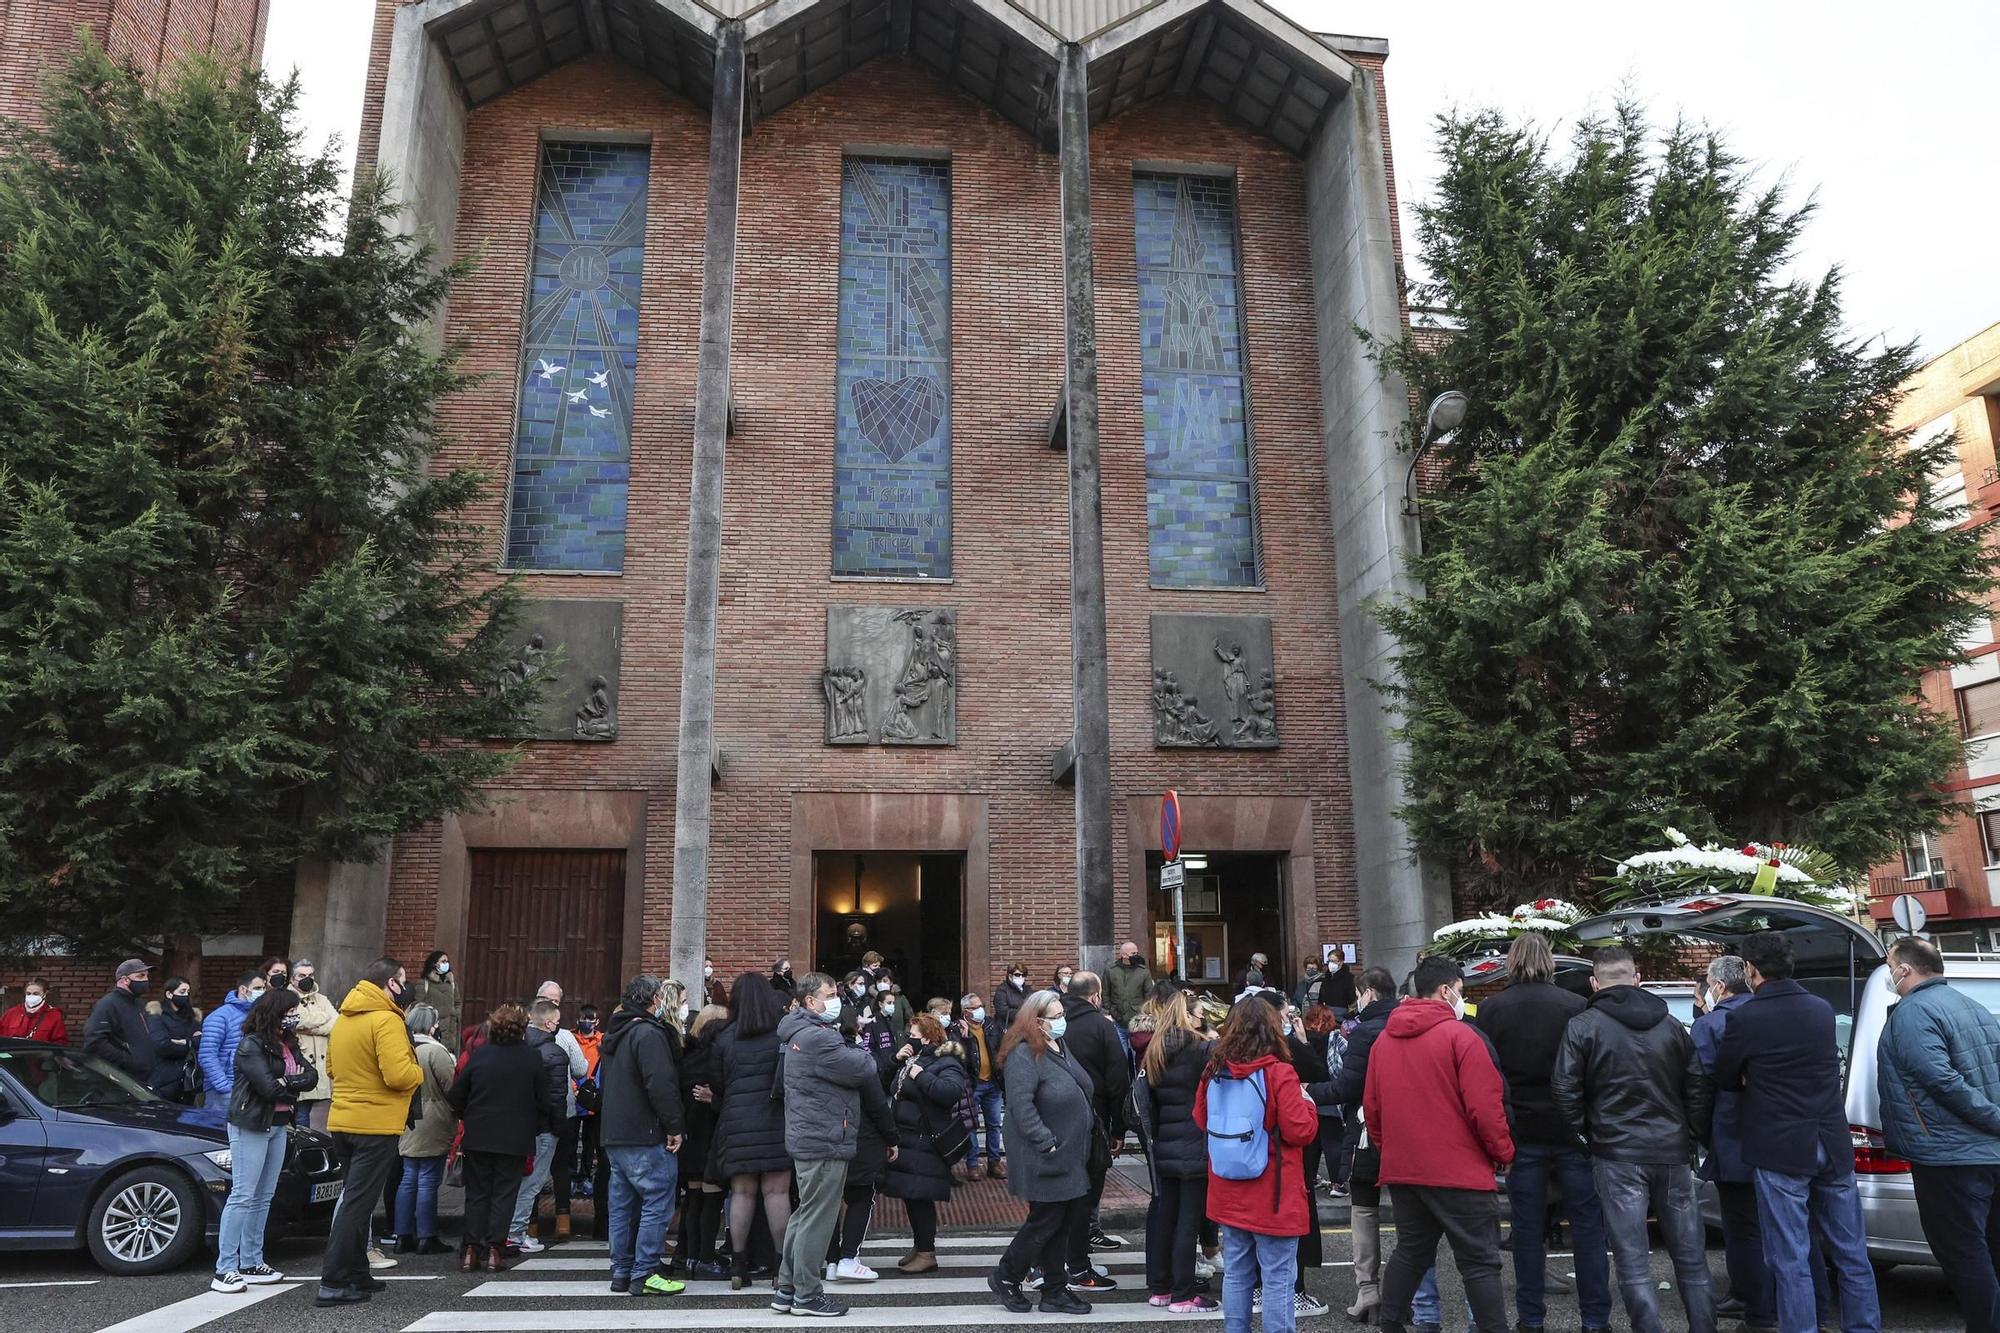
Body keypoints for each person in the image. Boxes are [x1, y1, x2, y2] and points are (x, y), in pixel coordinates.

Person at [1715, 931, 1880, 1333]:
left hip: (1780, 1146)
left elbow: (1724, 1075)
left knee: (1790, 1258)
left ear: (1750, 970)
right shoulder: (1821, 1009)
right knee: (1851, 1253)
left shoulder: (1745, 1017)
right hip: (1830, 1139)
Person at [1552, 946, 1715, 1333]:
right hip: (1672, 1149)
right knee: (1691, 1256)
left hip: (1615, 1151)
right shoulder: (1671, 1025)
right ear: (1637, 978)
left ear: (1595, 983)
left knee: (1632, 1259)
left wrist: (1585, 1133)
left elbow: (1563, 1088)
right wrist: (1693, 1133)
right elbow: (1697, 1086)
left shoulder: (1583, 1025)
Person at [1365, 956, 1513, 1333]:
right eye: (1461, 991)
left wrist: (1390, 1152)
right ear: (1446, 991)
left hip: (1405, 1169)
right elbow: (1485, 1108)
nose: (1462, 999)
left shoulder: (1384, 1040)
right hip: (1460, 1171)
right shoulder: (1463, 1037)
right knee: (1480, 1263)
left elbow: (1373, 1107)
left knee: (1411, 1253)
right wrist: (1502, 1153)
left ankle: (1392, 1324)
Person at [1475, 933, 1612, 1333]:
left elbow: (1488, 1077)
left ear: (1512, 962)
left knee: (1527, 1230)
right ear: (1550, 962)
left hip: (1522, 1131)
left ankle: (1531, 1318)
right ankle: (1595, 1319)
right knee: (1588, 1227)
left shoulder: (1491, 1009)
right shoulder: (1575, 1006)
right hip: (1572, 1130)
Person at [1878, 935, 2000, 1331]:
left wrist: (1993, 1118)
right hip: (1986, 1155)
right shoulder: (1972, 1006)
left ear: (1904, 969)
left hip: (1949, 1157)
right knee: (1989, 1252)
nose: (1887, 970)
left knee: (1963, 1255)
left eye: (1888, 962)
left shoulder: (1913, 1013)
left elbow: (1941, 1080)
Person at [1197, 997, 1320, 1333]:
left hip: (1228, 1187)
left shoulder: (1214, 1071)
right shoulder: (1279, 1073)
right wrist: (1308, 1105)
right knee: (1278, 1276)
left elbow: (1201, 1118)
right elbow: (1300, 1130)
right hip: (1273, 1189)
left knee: (1237, 1271)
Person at [317, 958, 423, 1308]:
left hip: (343, 1121)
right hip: (375, 1124)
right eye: (402, 981)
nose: (405, 987)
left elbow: (330, 1068)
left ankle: (357, 1272)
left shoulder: (345, 1019)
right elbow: (398, 1075)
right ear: (390, 983)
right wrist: (418, 1072)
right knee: (356, 1205)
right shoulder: (387, 1020)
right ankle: (333, 1280)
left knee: (355, 1200)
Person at [773, 972, 876, 1318]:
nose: (837, 1000)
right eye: (830, 994)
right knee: (818, 1217)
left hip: (811, 1134)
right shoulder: (819, 1039)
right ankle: (806, 1293)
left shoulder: (802, 1034)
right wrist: (860, 1046)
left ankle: (787, 1288)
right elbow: (863, 1067)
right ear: (809, 1002)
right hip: (824, 1137)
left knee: (805, 1213)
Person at [990, 988, 1095, 1317]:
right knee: (1045, 1221)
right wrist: (1045, 1140)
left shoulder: (1057, 1045)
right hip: (1045, 1154)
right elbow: (1020, 1107)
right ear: (1035, 1021)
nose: (1062, 1020)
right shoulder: (1025, 1054)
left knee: (1060, 1223)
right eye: (1056, 1016)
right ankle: (1006, 1275)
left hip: (1070, 1154)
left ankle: (1054, 1290)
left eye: (1062, 1014)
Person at [211, 985, 318, 1293]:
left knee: (263, 1196)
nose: (294, 1017)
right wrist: (288, 1081)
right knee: (243, 1195)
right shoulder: (251, 1045)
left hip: (280, 1123)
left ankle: (252, 1261)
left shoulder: (288, 1043)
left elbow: (312, 1077)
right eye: (289, 1012)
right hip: (252, 1123)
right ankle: (225, 1267)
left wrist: (287, 1081)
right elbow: (268, 1088)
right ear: (275, 1013)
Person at [1691, 953, 1775, 1332]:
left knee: (1741, 1228)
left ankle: (1750, 1299)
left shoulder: (1710, 1026)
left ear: (1719, 986)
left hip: (1731, 1137)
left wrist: (1701, 1136)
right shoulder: (1768, 1014)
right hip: (1779, 1138)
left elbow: (1701, 1086)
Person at [598, 974, 689, 1297]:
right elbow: (660, 1085)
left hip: (615, 1133)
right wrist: (675, 1126)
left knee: (622, 1206)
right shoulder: (648, 1034)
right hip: (646, 1132)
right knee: (656, 1203)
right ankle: (645, 1270)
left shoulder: (615, 1032)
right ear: (654, 1001)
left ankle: (621, 1270)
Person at [1313, 964, 1395, 1319]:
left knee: (1364, 1209)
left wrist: (1308, 1091)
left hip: (1366, 1132)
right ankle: (1408, 1294)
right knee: (1410, 1215)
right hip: (1405, 1131)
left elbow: (1349, 1087)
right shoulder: (1406, 1024)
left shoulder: (1364, 1033)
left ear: (1370, 993)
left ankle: (1368, 1291)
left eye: (1359, 993)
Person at [449, 1003, 556, 1274]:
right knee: (504, 1194)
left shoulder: (481, 1055)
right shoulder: (531, 1058)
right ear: (522, 1029)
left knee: (477, 1193)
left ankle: (471, 1249)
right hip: (515, 1136)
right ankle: (495, 1250)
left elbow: (456, 1094)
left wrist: (469, 1115)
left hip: (479, 1133)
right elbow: (544, 1100)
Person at [1136, 987, 1215, 1311]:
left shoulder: (1154, 1049)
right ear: (1189, 1016)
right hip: (1194, 1139)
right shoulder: (1200, 1048)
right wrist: (1210, 1035)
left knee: (1166, 1217)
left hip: (1163, 1143)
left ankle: (1161, 1288)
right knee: (1188, 1219)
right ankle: (1183, 1293)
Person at [713, 971, 792, 1288]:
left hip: (736, 1122)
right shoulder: (781, 1037)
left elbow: (718, 1084)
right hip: (775, 1121)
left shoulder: (725, 1037)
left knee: (742, 1193)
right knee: (777, 1193)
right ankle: (781, 1266)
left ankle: (738, 1265)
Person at [883, 1009, 969, 1274]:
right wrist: (894, 1060)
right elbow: (887, 1084)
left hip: (925, 1140)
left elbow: (950, 1093)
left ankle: (927, 1252)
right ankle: (920, 1245)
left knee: (920, 1196)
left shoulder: (946, 1062)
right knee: (911, 1195)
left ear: (929, 1039)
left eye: (914, 1036)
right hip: (907, 1137)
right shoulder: (913, 1059)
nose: (910, 1040)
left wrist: (921, 1075)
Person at [1059, 970, 1132, 1274]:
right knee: (1087, 1193)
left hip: (1055, 1120)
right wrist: (1118, 1128)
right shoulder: (1102, 1027)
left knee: (1059, 1195)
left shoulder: (1051, 1024)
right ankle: (1076, 1262)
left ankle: (1055, 1259)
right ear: (1095, 996)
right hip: (1094, 1120)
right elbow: (1118, 1080)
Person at [825, 1003, 899, 1284]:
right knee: (860, 1197)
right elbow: (877, 1103)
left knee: (829, 1200)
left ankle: (831, 1259)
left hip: (825, 1136)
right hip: (861, 1136)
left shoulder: (814, 1055)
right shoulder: (858, 1058)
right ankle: (848, 1256)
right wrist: (891, 1137)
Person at [510, 996, 585, 1251]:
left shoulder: (514, 1045)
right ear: (550, 1024)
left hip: (519, 1124)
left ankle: (513, 1229)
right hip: (544, 1127)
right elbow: (556, 1097)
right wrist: (559, 1127)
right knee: (533, 1182)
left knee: (517, 1180)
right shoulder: (554, 1052)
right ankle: (516, 1232)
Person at [395, 1002, 457, 1255]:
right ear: (432, 1025)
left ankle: (402, 1234)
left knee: (408, 1178)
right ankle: (427, 1235)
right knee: (429, 1179)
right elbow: (452, 1087)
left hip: (405, 1117)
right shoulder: (435, 1052)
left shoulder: (402, 1049)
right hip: (433, 1119)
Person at [678, 1003, 728, 1278]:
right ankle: (705, 1255)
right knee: (711, 1198)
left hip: (688, 1133)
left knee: (693, 1196)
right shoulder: (715, 1059)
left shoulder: (686, 1056)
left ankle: (688, 1254)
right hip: (710, 1134)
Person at [954, 989, 1005, 1180]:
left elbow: (1002, 1048)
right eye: (975, 1008)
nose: (980, 1010)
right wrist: (966, 1037)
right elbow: (959, 1057)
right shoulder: (957, 1030)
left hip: (992, 1083)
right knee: (971, 1126)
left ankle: (994, 1163)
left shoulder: (992, 1025)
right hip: (972, 1085)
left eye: (981, 1006)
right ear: (965, 1011)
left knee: (994, 1124)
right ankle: (973, 1164)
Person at [83, 959, 158, 1083]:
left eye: (146, 976)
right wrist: (128, 1060)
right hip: (119, 1082)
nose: (146, 980)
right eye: (141, 976)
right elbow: (94, 1042)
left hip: (143, 1080)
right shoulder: (108, 1004)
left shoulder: (139, 1004)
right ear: (125, 980)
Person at [198, 972, 264, 1105]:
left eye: (264, 988)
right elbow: (207, 1055)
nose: (262, 992)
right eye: (257, 988)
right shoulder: (220, 1017)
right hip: (225, 1090)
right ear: (243, 990)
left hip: (252, 1088)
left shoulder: (259, 1015)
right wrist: (224, 1087)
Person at [289, 959, 337, 1131]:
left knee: (320, 1119)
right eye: (302, 975)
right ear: (293, 979)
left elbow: (336, 1024)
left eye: (310, 975)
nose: (306, 979)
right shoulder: (286, 997)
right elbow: (297, 1020)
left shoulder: (322, 999)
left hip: (322, 1067)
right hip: (300, 1064)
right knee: (300, 1115)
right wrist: (322, 1018)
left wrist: (308, 1027)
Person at [144, 977, 200, 1102]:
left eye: (187, 992)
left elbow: (201, 1041)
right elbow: (163, 1046)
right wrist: (191, 1043)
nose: (186, 995)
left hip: (188, 1081)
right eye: (182, 991)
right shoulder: (157, 1016)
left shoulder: (192, 1017)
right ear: (169, 994)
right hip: (163, 1080)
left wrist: (185, 1042)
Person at [410, 951, 461, 1051]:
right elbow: (416, 1005)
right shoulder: (424, 984)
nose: (446, 964)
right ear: (434, 963)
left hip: (450, 1032)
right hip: (431, 1032)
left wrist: (456, 1014)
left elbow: (457, 1002)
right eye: (443, 961)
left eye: (447, 961)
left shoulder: (451, 983)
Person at [1, 977, 67, 1043]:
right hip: (14, 1052)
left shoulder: (54, 1015)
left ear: (44, 994)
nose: (31, 996)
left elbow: (59, 1042)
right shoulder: (12, 1013)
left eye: (36, 994)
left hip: (40, 1052)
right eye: (28, 993)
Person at [1106, 941, 1155, 1027]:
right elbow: (1105, 994)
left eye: (1137, 953)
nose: (1136, 956)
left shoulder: (1143, 972)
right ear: (1124, 955)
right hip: (1117, 1018)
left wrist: (1144, 1013)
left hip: (1138, 1020)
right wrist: (1112, 1010)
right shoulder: (1111, 971)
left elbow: (1149, 995)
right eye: (1133, 953)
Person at [994, 964, 1031, 1030]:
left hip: (1025, 1028)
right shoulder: (1002, 990)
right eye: (1017, 975)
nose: (1021, 977)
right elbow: (1002, 1011)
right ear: (1010, 976)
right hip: (1009, 1028)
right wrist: (1024, 1013)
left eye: (1023, 975)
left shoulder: (1028, 990)